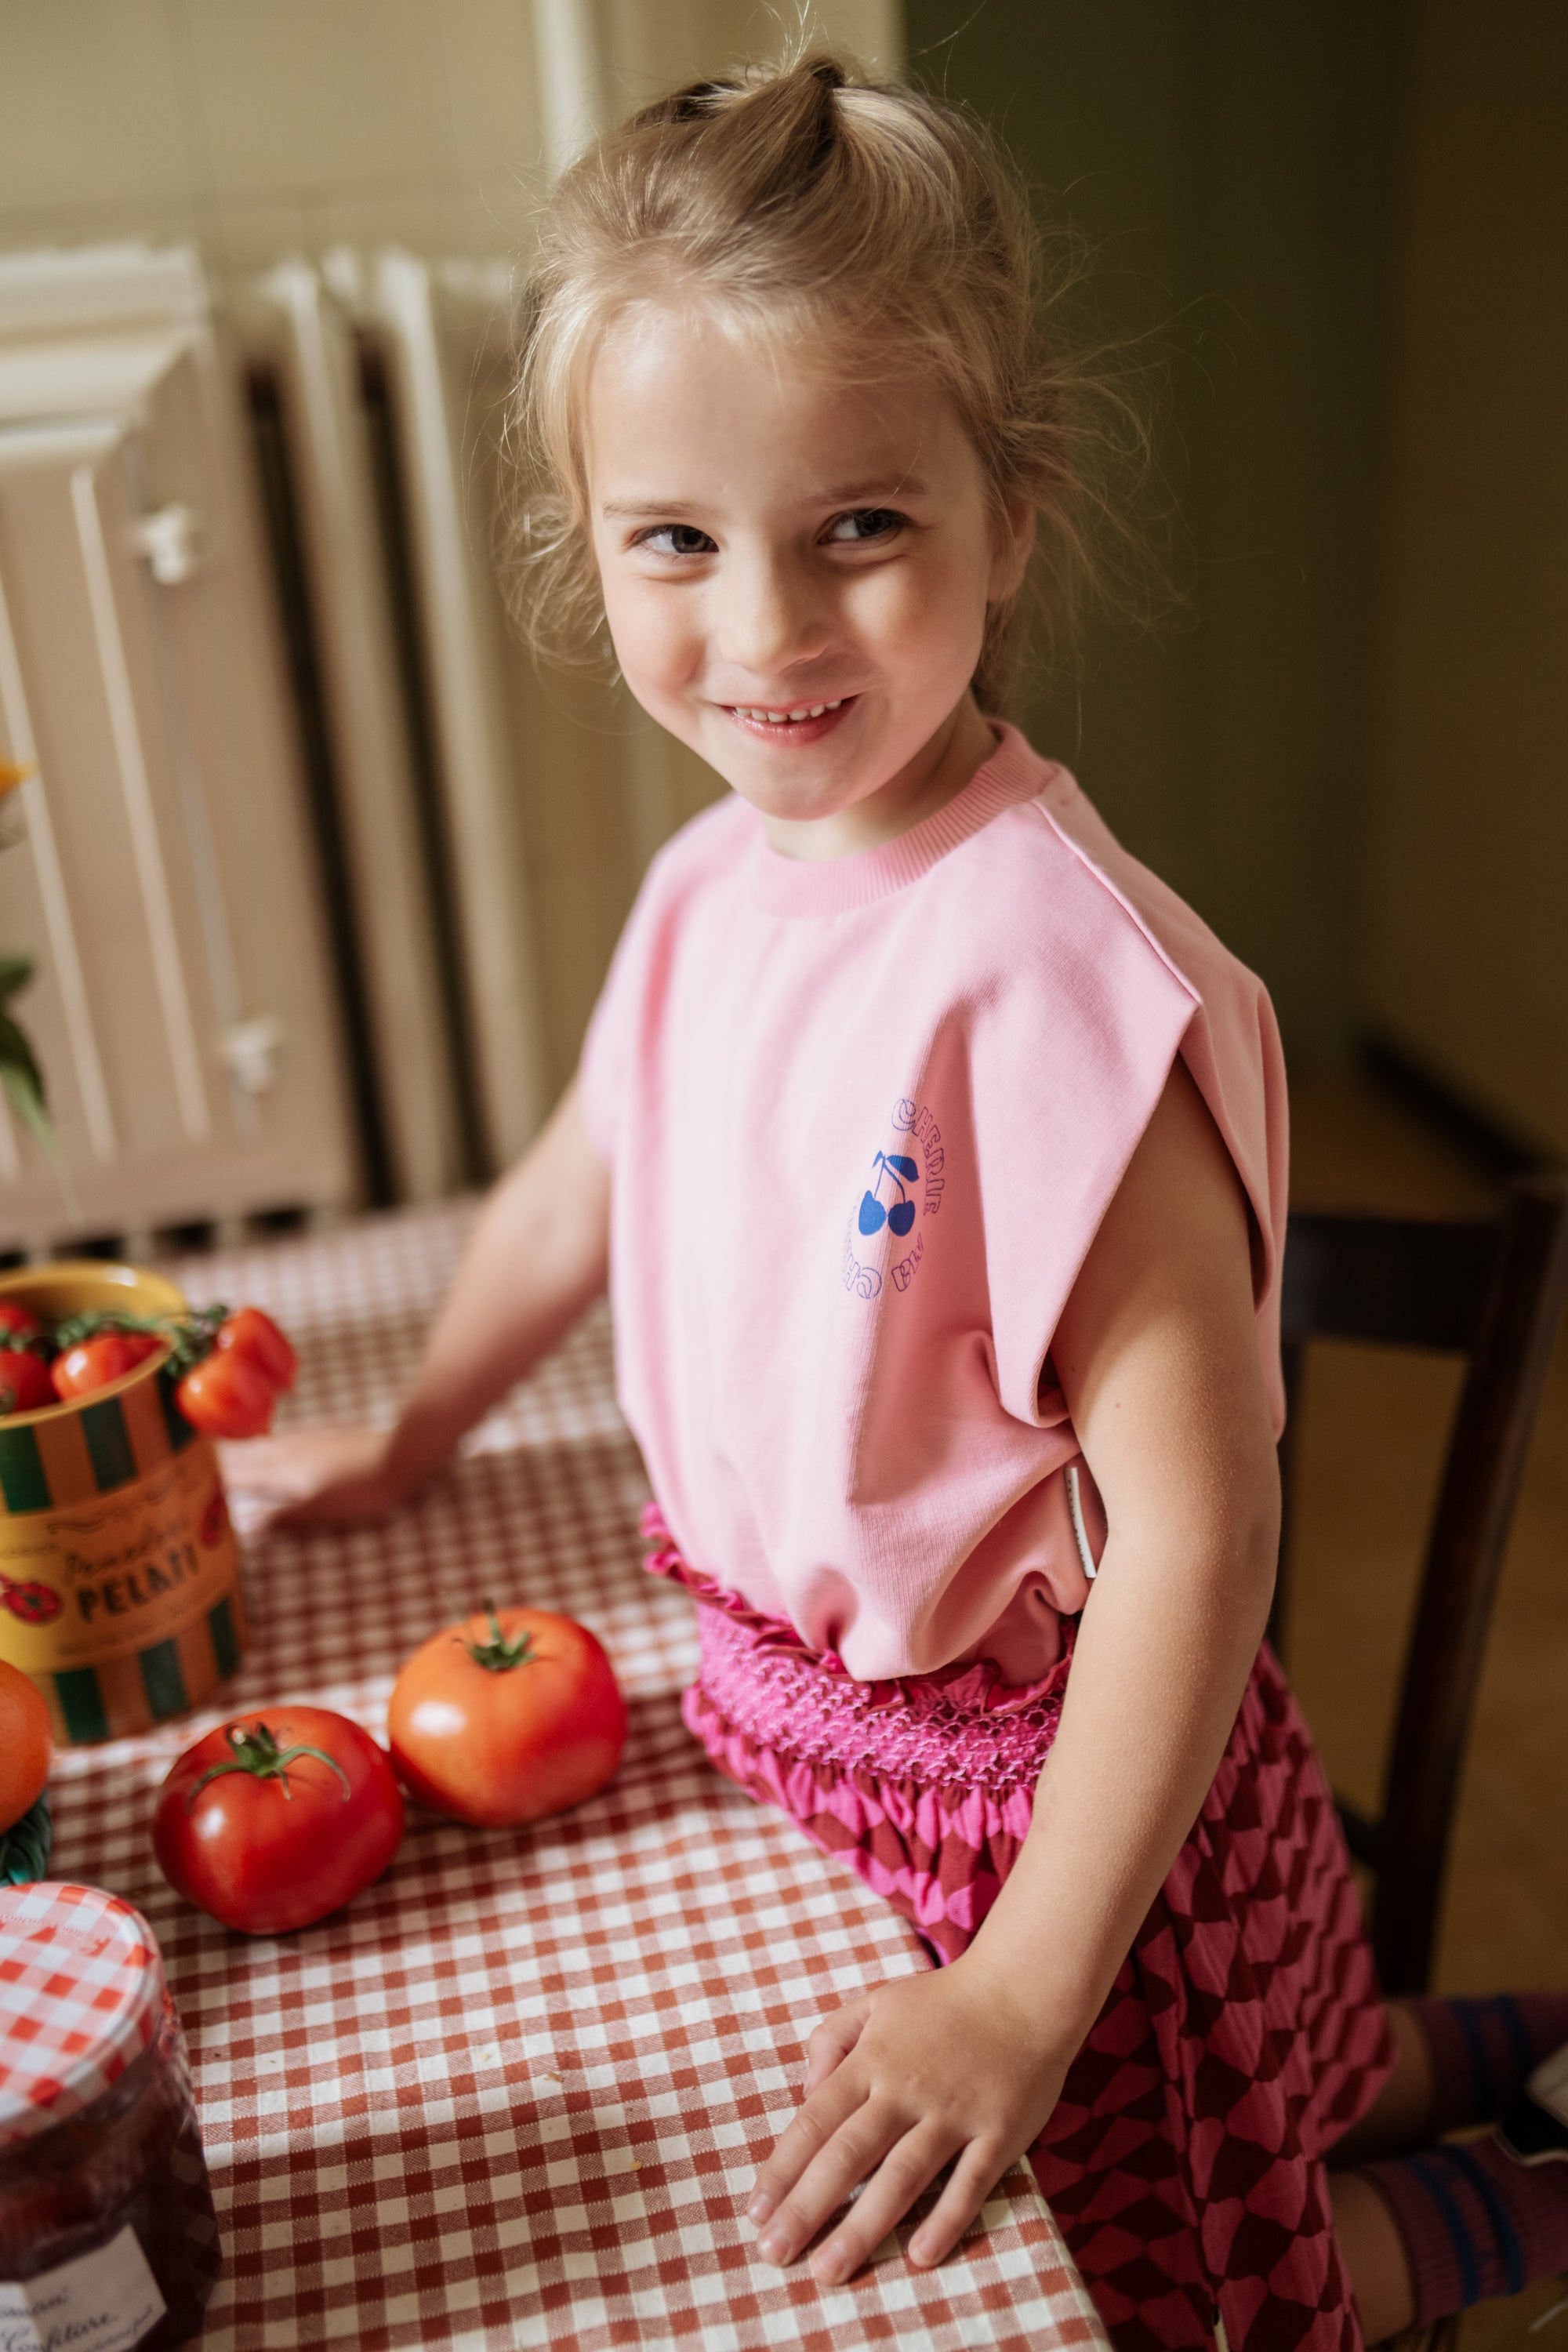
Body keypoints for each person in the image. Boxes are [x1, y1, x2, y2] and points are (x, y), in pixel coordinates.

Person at [234, 56, 1568, 2352]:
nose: (767, 630)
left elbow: (1205, 1538)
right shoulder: (704, 885)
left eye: (857, 526)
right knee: (1282, 2095)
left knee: (1193, 2273)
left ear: (1010, 517)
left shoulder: (1056, 984)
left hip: (1061, 1832)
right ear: (589, 543)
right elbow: (575, 1183)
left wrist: (1028, 1991)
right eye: (675, 541)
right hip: (807, 1758)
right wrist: (417, 1429)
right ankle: (1469, 2060)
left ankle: (1519, 2210)